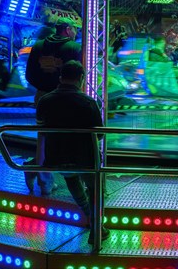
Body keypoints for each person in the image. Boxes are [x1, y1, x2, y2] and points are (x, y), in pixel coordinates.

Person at [36, 60, 109, 245]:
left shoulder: (45, 100)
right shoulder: (88, 102)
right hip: (84, 158)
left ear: (61, 78)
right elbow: (99, 134)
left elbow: (41, 129)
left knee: (70, 176)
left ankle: (89, 217)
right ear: (81, 79)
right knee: (95, 187)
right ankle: (96, 226)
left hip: (57, 157)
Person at [25, 17, 81, 195]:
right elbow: (79, 73)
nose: (75, 33)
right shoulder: (74, 47)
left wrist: (44, 86)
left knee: (43, 138)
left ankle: (40, 175)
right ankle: (45, 176)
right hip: (66, 97)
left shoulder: (39, 45)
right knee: (65, 139)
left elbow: (29, 74)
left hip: (42, 96)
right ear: (67, 29)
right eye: (74, 29)